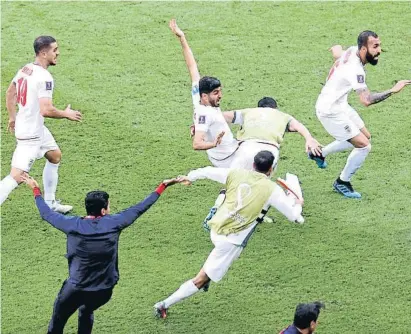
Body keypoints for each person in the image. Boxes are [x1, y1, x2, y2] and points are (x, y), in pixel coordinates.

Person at [153, 151, 304, 319]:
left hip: (216, 228)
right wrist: (298, 204)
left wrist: (190, 177)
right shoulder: (272, 190)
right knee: (201, 279)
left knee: (234, 201)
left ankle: (210, 275)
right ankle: (164, 304)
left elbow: (208, 171)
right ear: (271, 169)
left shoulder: (235, 173)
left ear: (253, 165)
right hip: (230, 242)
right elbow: (295, 217)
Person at [22, 174, 178, 334]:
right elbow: (140, 208)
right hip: (103, 290)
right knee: (86, 311)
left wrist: (36, 189)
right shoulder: (114, 223)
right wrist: (163, 186)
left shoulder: (72, 224)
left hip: (76, 288)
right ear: (103, 211)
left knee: (57, 321)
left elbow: (46, 214)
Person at [311, 30, 411, 198]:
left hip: (340, 103)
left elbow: (339, 54)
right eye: (375, 46)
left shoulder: (352, 50)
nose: (379, 50)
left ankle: (320, 153)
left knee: (365, 136)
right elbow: (366, 100)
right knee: (364, 145)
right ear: (363, 49)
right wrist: (393, 90)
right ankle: (342, 182)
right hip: (329, 110)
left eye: (379, 45)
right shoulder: (356, 70)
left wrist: (336, 50)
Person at [0, 36, 82, 212]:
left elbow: (10, 93)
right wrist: (66, 114)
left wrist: (12, 117)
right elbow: (47, 110)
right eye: (54, 50)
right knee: (17, 176)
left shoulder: (26, 69)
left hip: (32, 126)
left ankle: (50, 203)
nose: (58, 53)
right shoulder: (45, 77)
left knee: (54, 155)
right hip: (31, 134)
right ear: (44, 53)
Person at [169, 19, 238, 168]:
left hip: (231, 149)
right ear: (205, 96)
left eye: (220, 91)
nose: (220, 95)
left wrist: (182, 37)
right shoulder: (204, 115)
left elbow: (192, 65)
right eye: (216, 92)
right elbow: (197, 143)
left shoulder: (197, 92)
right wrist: (214, 143)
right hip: (227, 158)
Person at [224, 96, 322, 171]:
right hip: (270, 151)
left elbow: (222, 116)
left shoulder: (249, 112)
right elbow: (298, 126)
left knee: (232, 182)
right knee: (260, 185)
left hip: (246, 148)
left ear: (259, 107)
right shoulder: (283, 116)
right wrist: (309, 138)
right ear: (275, 108)